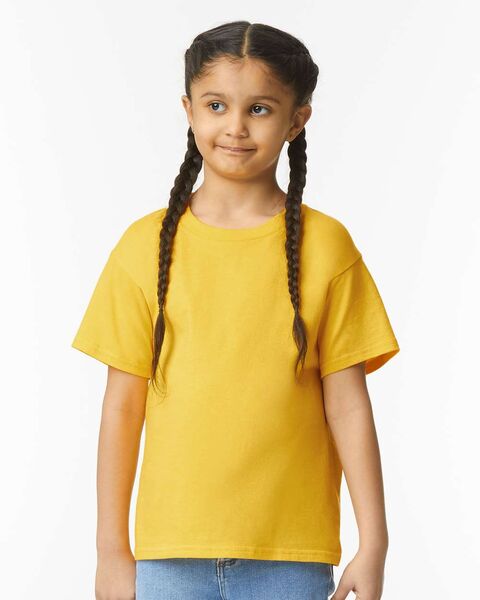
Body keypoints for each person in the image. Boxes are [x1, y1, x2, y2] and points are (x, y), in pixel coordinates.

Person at [71, 20, 400, 600]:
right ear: (189, 110)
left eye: (260, 109)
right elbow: (121, 408)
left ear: (297, 119)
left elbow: (349, 405)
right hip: (167, 559)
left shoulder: (328, 248)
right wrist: (110, 551)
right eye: (217, 105)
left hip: (290, 559)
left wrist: (373, 544)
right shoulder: (143, 247)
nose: (235, 127)